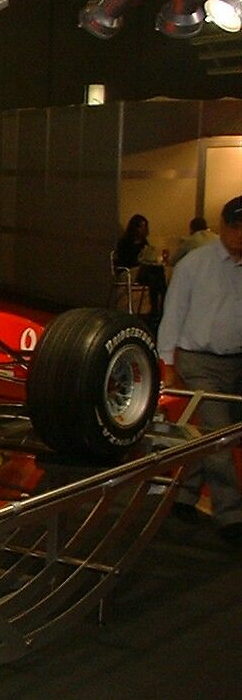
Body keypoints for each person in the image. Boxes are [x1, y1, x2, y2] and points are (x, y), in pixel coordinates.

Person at [156, 194, 242, 544]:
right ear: (222, 227)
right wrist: (167, 362)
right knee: (218, 434)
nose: (241, 236)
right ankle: (231, 514)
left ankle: (184, 491)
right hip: (199, 361)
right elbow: (173, 312)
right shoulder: (196, 264)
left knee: (212, 432)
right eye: (235, 228)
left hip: (236, 361)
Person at [114, 213, 167, 317]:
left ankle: (158, 306)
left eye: (144, 227)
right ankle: (157, 306)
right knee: (153, 274)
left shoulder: (144, 242)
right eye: (141, 227)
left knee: (157, 272)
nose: (143, 229)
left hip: (142, 269)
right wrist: (139, 260)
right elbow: (124, 260)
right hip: (128, 270)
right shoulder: (125, 243)